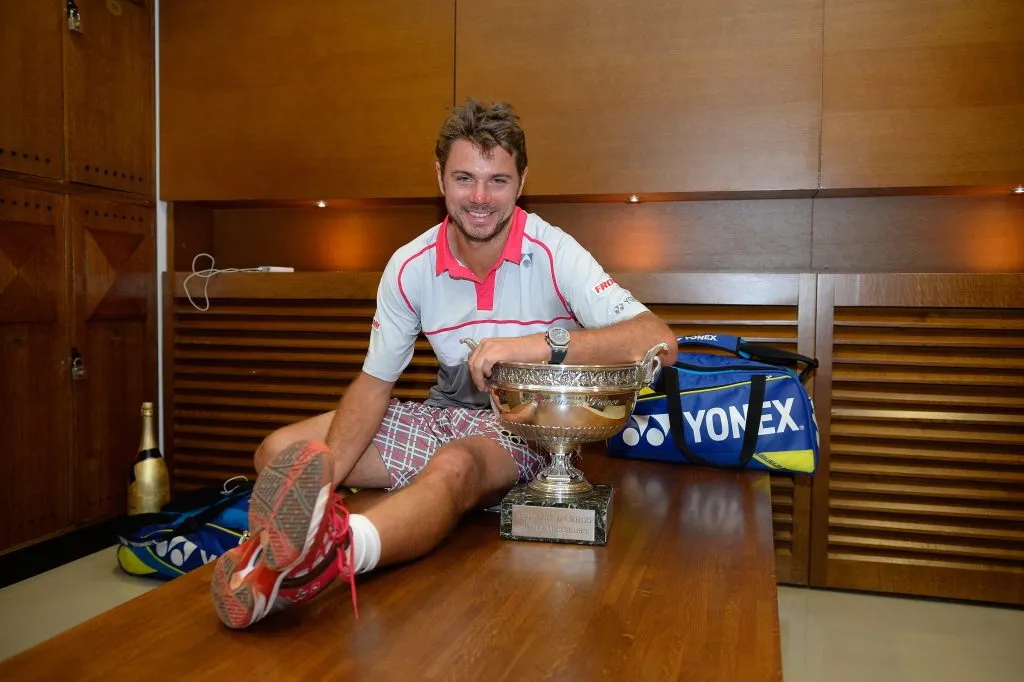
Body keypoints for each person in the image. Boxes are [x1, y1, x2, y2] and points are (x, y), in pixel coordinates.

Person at [210, 99, 678, 628]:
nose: (479, 198)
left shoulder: (554, 251)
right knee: (278, 450)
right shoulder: (409, 265)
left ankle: (329, 558)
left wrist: (537, 344)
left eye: (497, 180)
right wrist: (322, 486)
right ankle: (291, 555)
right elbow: (373, 385)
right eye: (464, 178)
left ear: (522, 182)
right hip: (442, 414)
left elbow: (659, 341)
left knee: (454, 466)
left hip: (523, 428)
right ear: (439, 177)